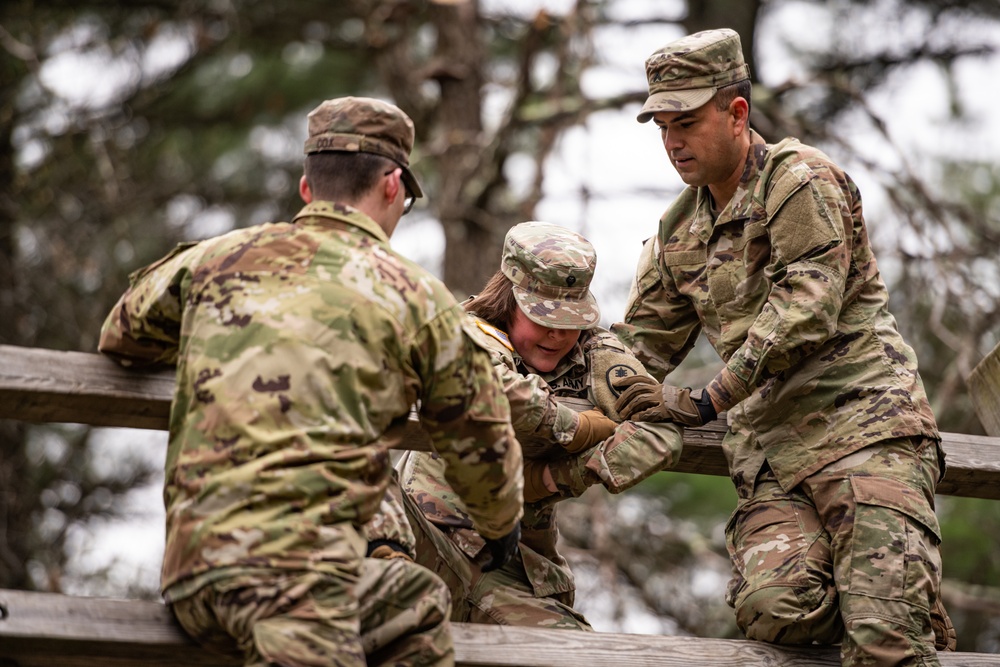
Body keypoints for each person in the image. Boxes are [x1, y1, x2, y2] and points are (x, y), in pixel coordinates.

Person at [97, 96, 524, 667]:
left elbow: (121, 334)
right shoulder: (413, 295)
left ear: (307, 189)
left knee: (415, 601)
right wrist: (502, 525)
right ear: (393, 185)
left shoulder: (217, 259)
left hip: (194, 578)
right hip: (300, 585)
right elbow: (479, 439)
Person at [611, 28, 956, 666]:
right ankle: (892, 597)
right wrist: (528, 374)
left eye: (685, 121)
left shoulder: (798, 180)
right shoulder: (678, 229)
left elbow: (804, 312)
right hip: (772, 464)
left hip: (863, 434)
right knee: (775, 612)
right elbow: (635, 346)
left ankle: (892, 605)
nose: (672, 142)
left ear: (736, 112)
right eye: (661, 125)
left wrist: (706, 398)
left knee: (886, 648)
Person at [379, 221, 683, 630]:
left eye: (571, 318)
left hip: (514, 573)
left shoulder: (595, 354)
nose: (558, 334)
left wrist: (557, 477)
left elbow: (661, 430)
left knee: (576, 656)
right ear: (508, 301)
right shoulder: (467, 334)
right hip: (428, 541)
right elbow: (490, 390)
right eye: (543, 317)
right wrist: (575, 426)